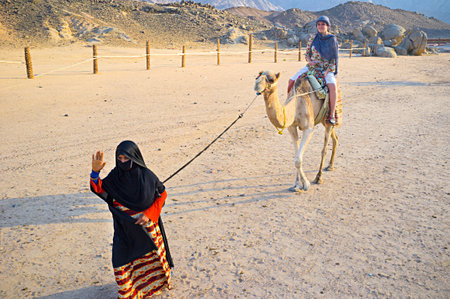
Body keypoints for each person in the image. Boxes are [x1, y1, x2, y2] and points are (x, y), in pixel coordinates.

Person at [90, 140, 173, 298]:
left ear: (134, 157)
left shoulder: (147, 175)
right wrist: (95, 174)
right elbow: (101, 189)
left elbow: (162, 194)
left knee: (151, 256)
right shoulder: (115, 176)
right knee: (121, 259)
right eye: (119, 158)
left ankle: (154, 287)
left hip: (146, 227)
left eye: (126, 158)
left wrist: (149, 214)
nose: (122, 162)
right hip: (123, 227)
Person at [288, 15, 339, 125]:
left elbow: (334, 58)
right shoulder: (313, 37)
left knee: (332, 86)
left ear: (328, 26)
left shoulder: (332, 39)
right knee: (291, 80)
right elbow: (307, 53)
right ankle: (289, 108)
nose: (321, 26)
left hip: (326, 68)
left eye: (323, 24)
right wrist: (309, 60)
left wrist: (327, 71)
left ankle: (331, 115)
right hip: (312, 66)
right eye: (319, 24)